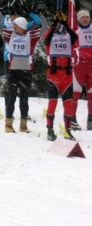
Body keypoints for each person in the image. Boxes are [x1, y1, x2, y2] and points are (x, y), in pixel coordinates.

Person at [42, 12, 79, 140]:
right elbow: (46, 39)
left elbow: (75, 37)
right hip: (53, 75)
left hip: (67, 76)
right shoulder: (50, 37)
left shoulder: (70, 36)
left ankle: (67, 131)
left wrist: (66, 25)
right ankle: (49, 130)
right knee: (52, 103)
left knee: (68, 105)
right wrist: (54, 25)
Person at [68, 0, 91, 129]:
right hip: (78, 65)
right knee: (75, 94)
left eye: (87, 17)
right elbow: (71, 14)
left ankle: (91, 121)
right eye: (82, 17)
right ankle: (72, 119)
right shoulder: (75, 28)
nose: (84, 19)